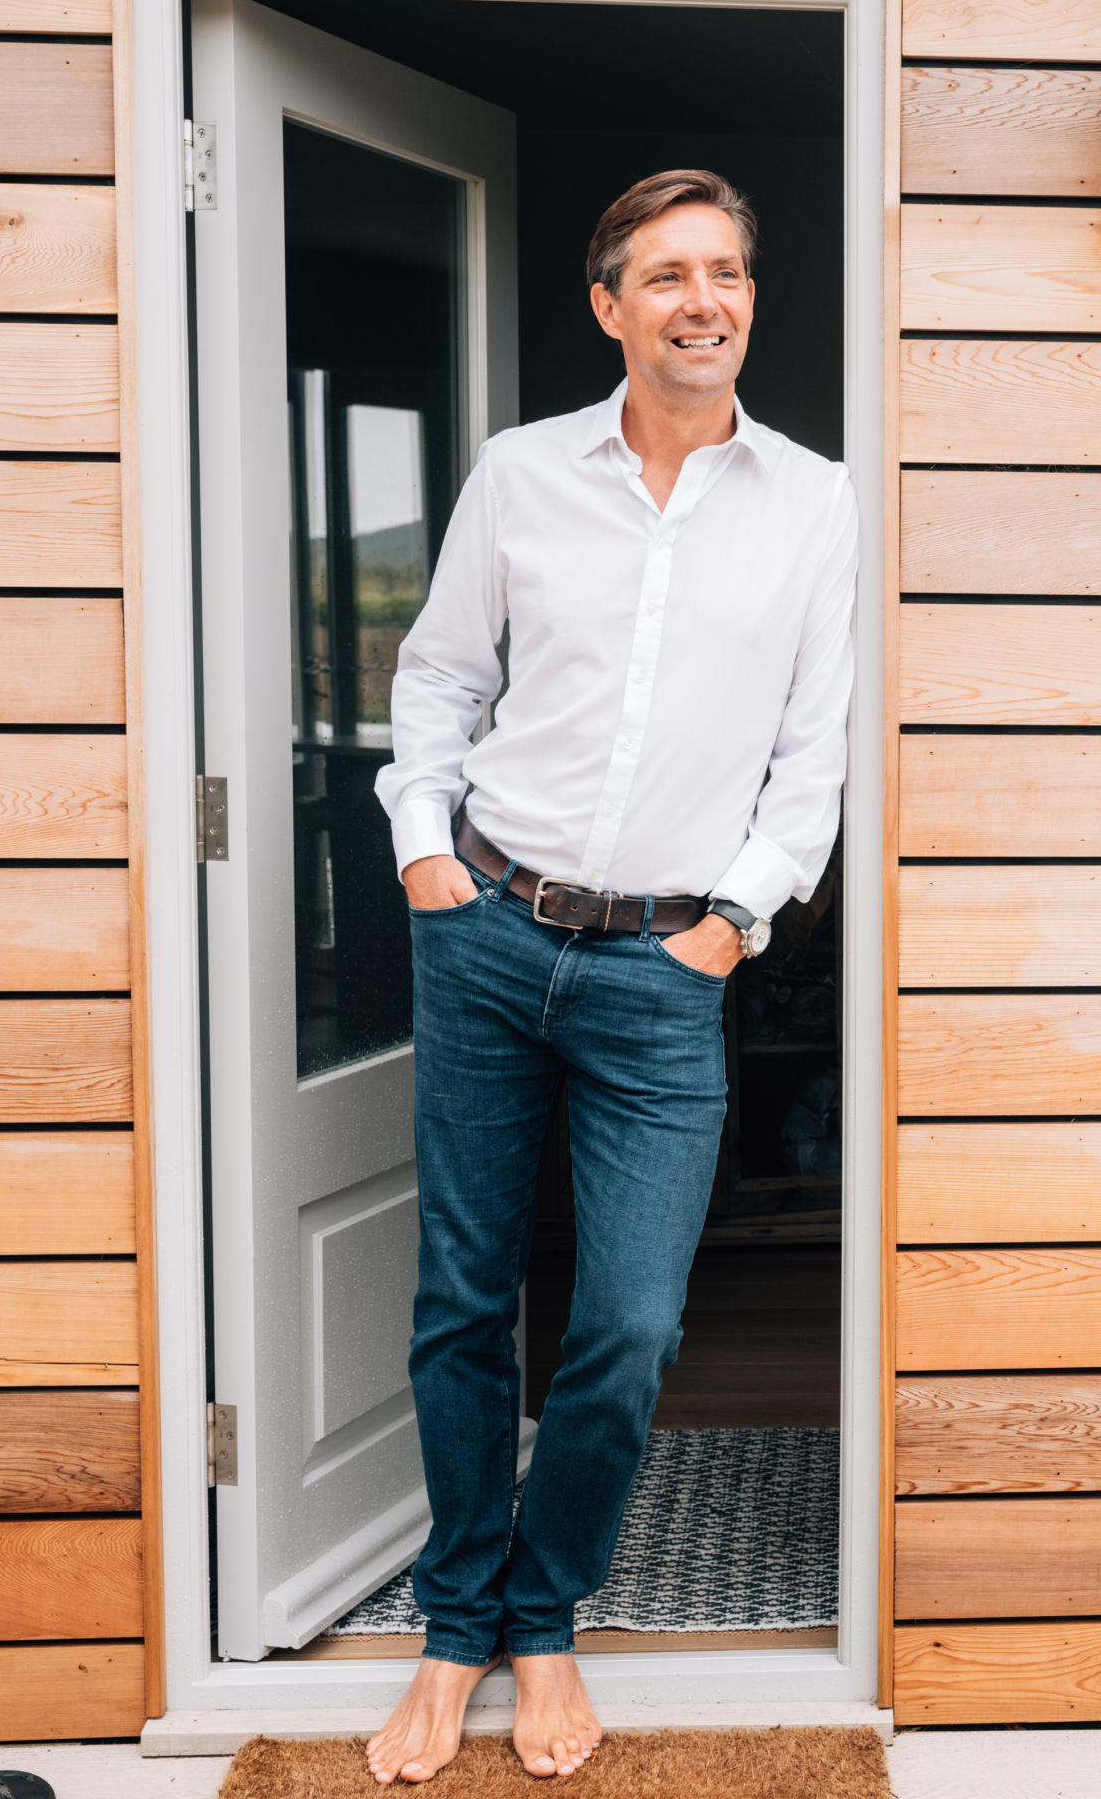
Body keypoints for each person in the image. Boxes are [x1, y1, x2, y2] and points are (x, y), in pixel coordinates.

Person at [360, 169, 856, 1783]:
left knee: (631, 1323)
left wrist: (736, 919)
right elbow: (435, 675)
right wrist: (426, 856)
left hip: (667, 967)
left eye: (727, 270)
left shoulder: (814, 500)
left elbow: (812, 753)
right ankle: (455, 1632)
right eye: (668, 276)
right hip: (489, 930)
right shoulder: (519, 476)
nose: (703, 300)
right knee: (463, 1299)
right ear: (609, 306)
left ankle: (545, 1617)